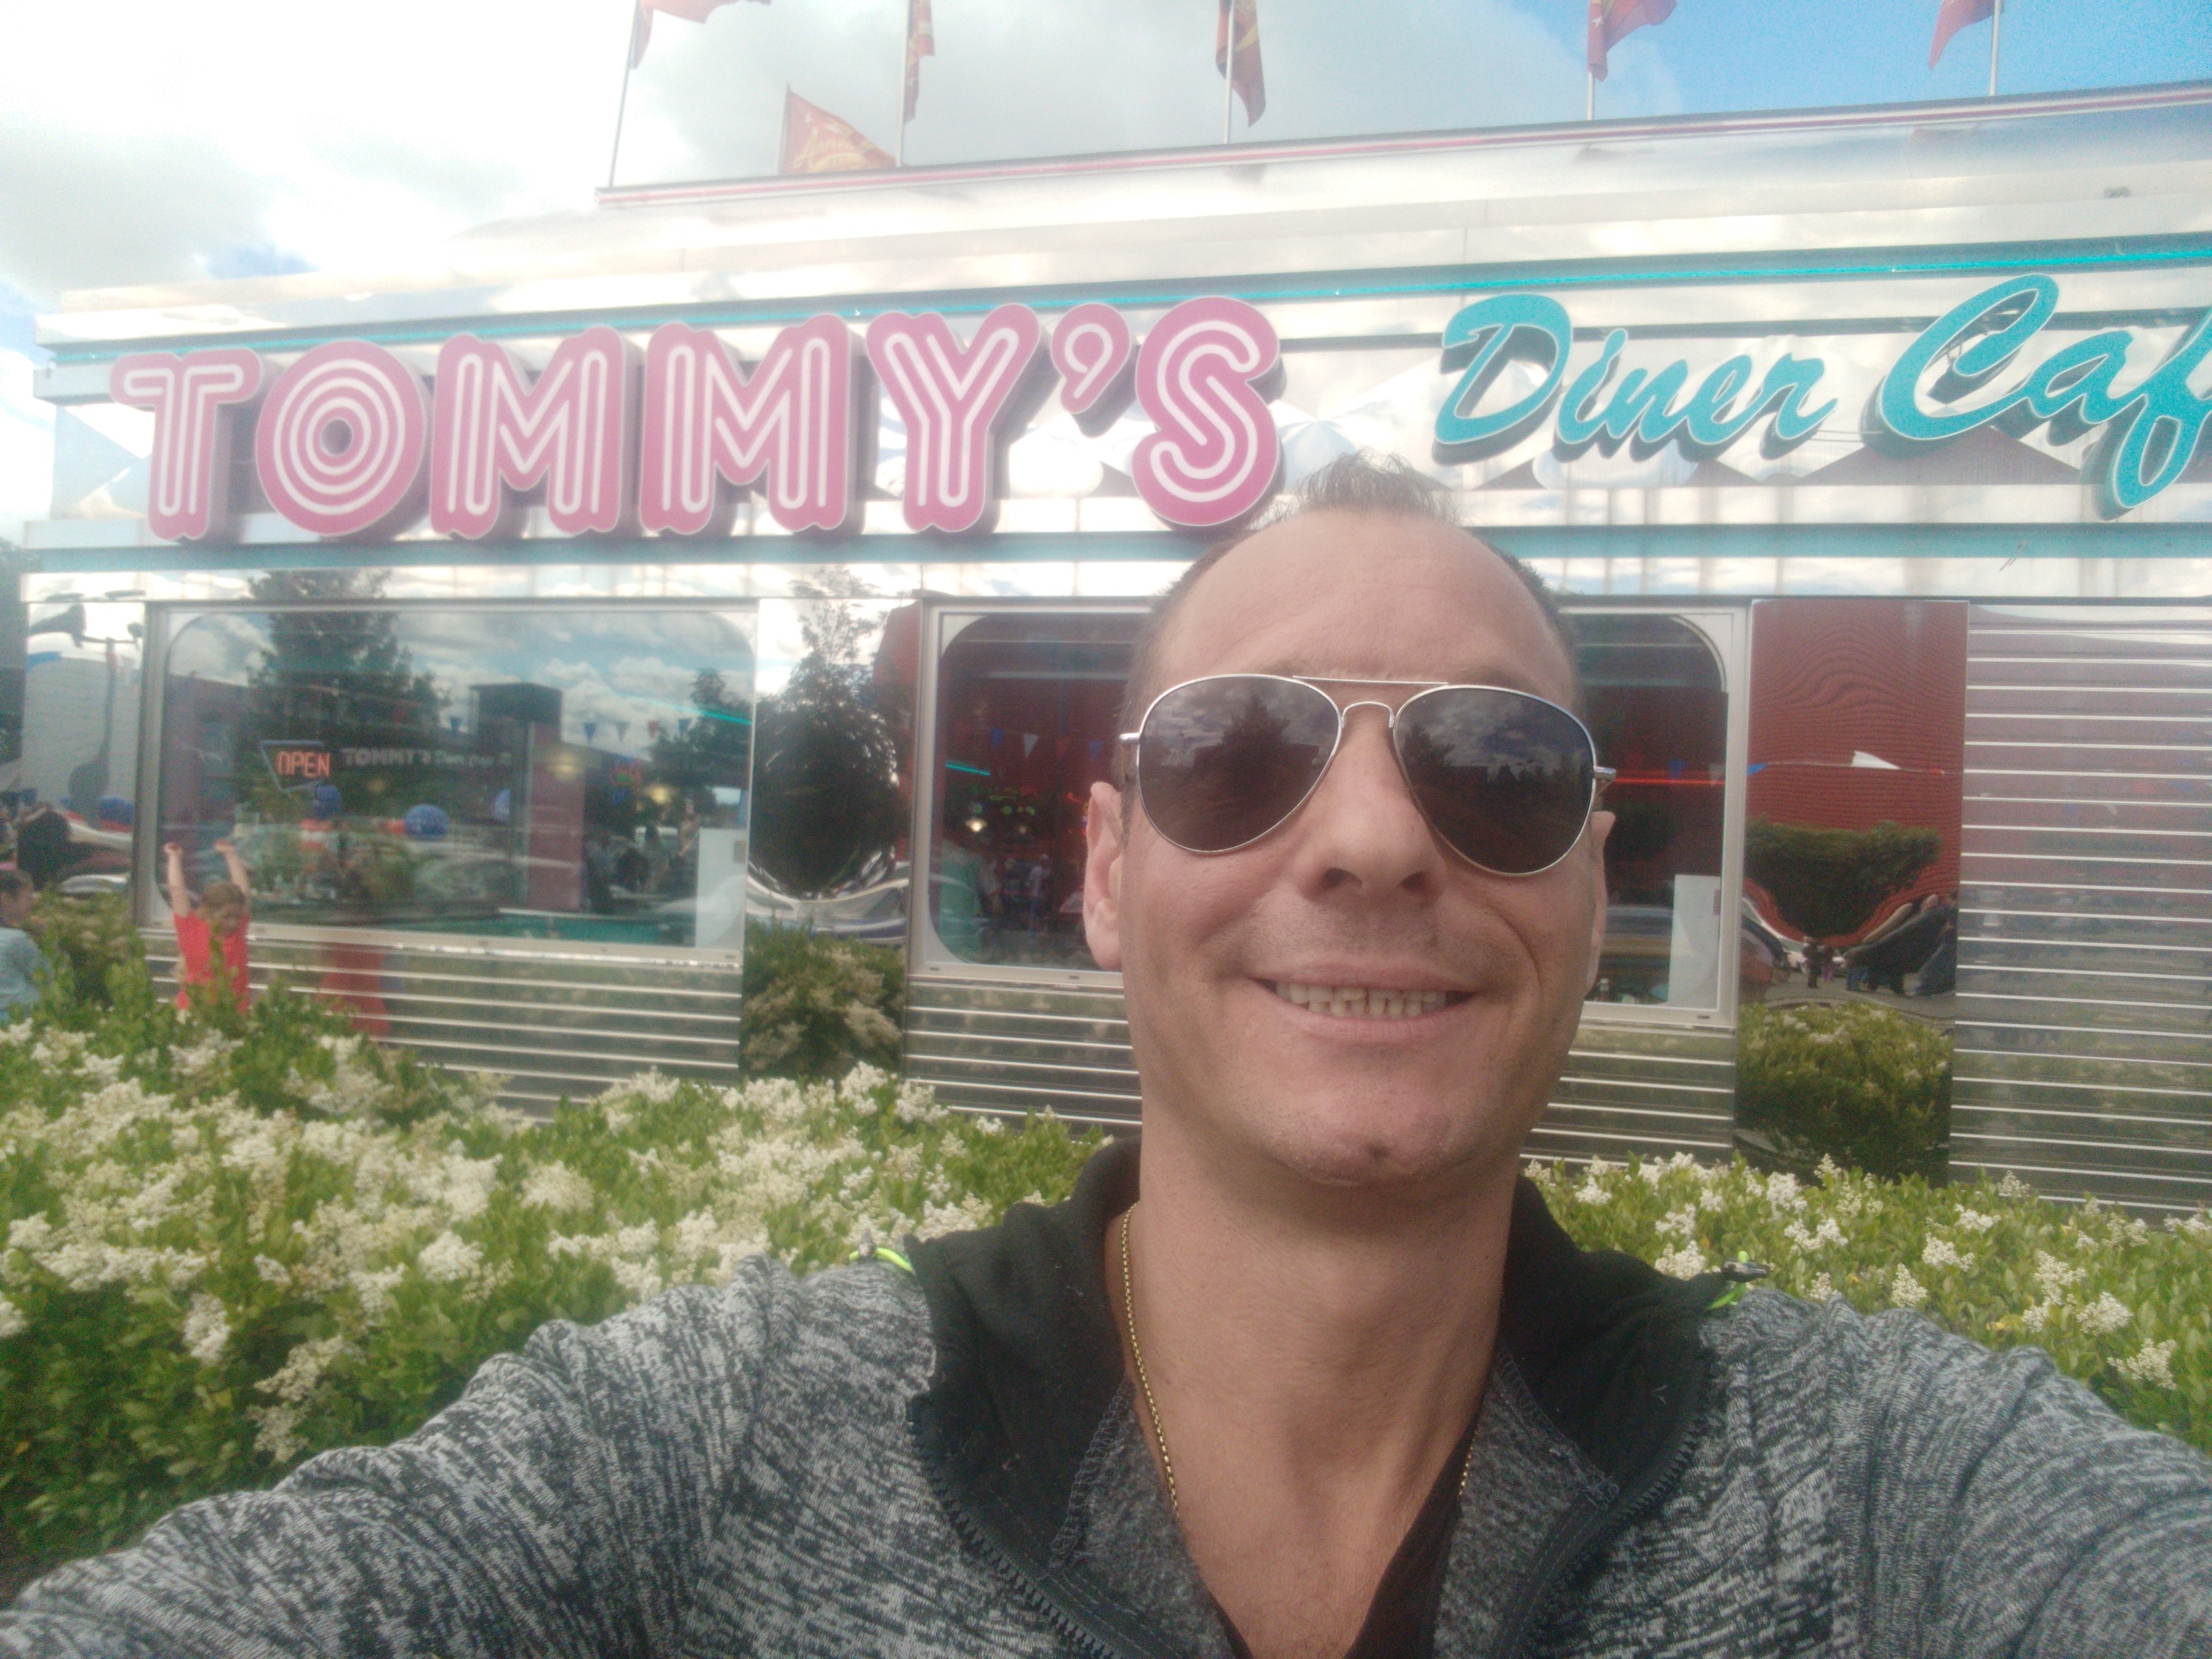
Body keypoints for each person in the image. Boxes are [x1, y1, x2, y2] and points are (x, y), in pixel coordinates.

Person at [6, 455, 2209, 1656]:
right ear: (1099, 866)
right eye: (1236, 751)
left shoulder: (1884, 1487)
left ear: (1588, 875)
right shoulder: (717, 1441)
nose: (1370, 841)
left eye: (1497, 762)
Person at [163, 836, 252, 1014]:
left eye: (237, 916)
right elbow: (177, 892)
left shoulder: (236, 930)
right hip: (200, 1011)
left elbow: (244, 892)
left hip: (230, 1011)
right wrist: (174, 857)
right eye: (226, 917)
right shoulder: (191, 928)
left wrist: (231, 855)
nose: (234, 922)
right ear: (208, 912)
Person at [0, 869, 46, 1022]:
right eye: (28, 898)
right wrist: (47, 937)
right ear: (6, 900)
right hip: (17, 1018)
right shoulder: (17, 940)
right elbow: (48, 975)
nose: (31, 904)